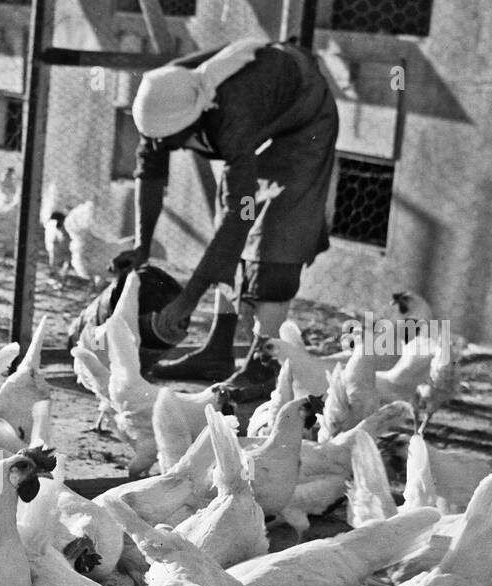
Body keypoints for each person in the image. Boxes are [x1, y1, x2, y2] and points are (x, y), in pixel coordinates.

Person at [111, 38, 339, 400]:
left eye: (170, 142)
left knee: (279, 227)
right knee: (234, 218)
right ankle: (217, 353)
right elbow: (150, 172)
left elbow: (240, 215)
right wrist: (142, 245)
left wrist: (189, 298)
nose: (161, 148)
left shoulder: (232, 114)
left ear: (194, 121)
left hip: (305, 118)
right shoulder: (161, 98)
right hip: (264, 114)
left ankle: (263, 369)